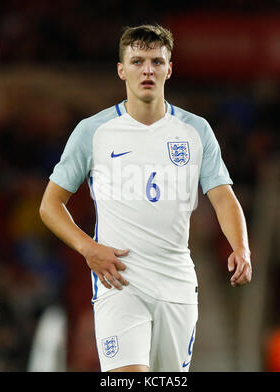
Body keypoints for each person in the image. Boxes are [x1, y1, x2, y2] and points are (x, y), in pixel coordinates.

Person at [39, 24, 252, 372]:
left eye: (156, 61)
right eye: (137, 61)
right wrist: (87, 247)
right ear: (122, 70)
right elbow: (50, 205)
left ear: (170, 68)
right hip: (119, 282)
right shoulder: (93, 131)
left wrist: (240, 247)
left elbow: (223, 198)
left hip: (177, 284)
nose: (147, 70)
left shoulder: (196, 130)